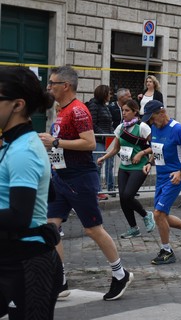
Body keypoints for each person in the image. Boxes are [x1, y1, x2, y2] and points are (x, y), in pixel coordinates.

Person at [39, 65, 133, 301]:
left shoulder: (78, 111)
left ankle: (120, 274)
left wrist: (56, 142)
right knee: (51, 227)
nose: (48, 87)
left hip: (80, 178)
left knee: (92, 228)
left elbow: (90, 143)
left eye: (52, 83)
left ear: (65, 86)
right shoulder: (61, 110)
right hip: (61, 177)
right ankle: (59, 281)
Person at [0, 66, 62, 319]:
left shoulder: (23, 150)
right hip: (11, 255)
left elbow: (19, 216)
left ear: (17, 105)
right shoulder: (16, 144)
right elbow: (49, 194)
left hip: (28, 264)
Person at [139, 100, 181, 264]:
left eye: (153, 118)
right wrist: (149, 162)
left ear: (162, 112)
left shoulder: (177, 129)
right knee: (161, 216)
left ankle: (166, 251)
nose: (152, 122)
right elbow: (156, 149)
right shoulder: (155, 127)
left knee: (158, 214)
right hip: (161, 178)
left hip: (175, 177)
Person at [98, 99, 156, 239]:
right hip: (124, 166)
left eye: (127, 111)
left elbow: (154, 146)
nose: (124, 113)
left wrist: (142, 153)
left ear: (135, 111)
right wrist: (103, 158)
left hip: (139, 166)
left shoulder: (143, 127)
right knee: (123, 199)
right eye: (123, 110)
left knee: (127, 195)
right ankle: (133, 228)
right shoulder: (120, 128)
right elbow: (116, 149)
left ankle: (146, 215)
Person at [87, 84, 114, 199]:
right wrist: (103, 135)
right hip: (99, 140)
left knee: (105, 165)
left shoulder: (104, 106)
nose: (111, 95)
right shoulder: (93, 105)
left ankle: (99, 190)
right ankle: (97, 191)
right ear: (104, 94)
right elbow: (92, 124)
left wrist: (112, 134)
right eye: (109, 93)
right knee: (97, 165)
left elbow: (109, 123)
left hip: (107, 139)